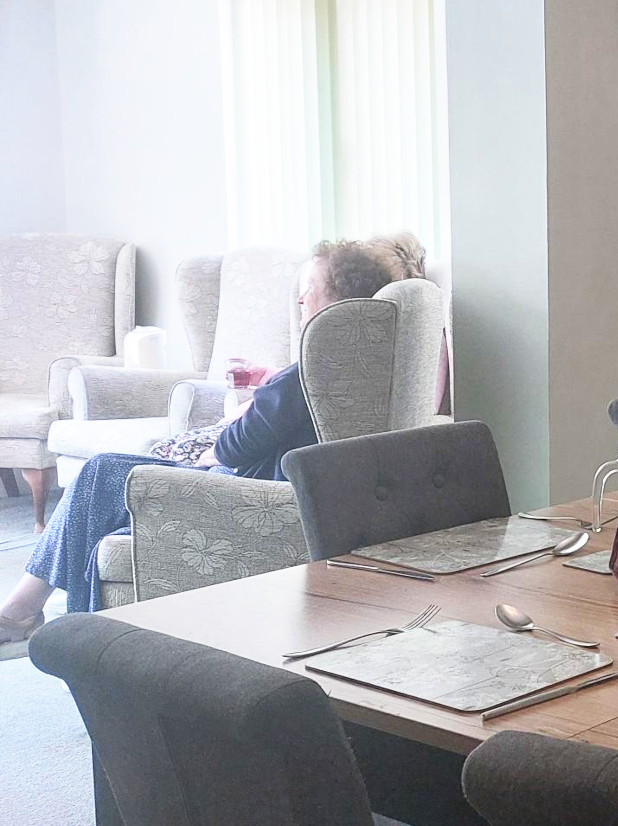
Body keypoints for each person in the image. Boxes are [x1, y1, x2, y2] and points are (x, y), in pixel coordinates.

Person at [0, 239, 403, 639]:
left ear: (337, 300)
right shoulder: (353, 365)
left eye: (308, 291)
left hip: (245, 495)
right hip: (266, 488)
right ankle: (35, 613)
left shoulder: (311, 371)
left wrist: (210, 453)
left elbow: (238, 444)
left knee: (101, 474)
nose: (300, 303)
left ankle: (33, 618)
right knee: (105, 482)